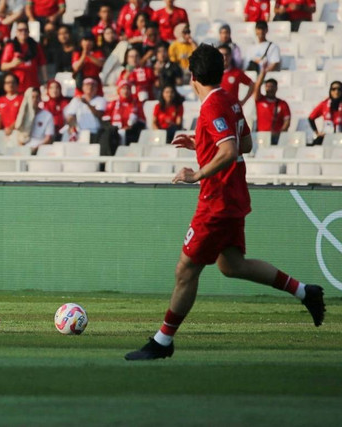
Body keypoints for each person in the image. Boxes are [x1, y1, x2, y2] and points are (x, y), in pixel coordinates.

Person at [124, 44, 325, 361]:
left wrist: (197, 173)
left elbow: (231, 151)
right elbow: (244, 142)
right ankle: (305, 291)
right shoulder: (229, 99)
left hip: (216, 200)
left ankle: (162, 342)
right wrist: (200, 143)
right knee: (232, 265)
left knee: (185, 269)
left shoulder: (212, 106)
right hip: (232, 195)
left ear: (192, 75)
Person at [0, 20, 48, 93]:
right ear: (16, 32)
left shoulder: (35, 46)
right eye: (20, 30)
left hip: (33, 85)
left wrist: (45, 82)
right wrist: (12, 64)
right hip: (17, 87)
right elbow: (3, 66)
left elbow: (42, 65)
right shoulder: (10, 46)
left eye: (25, 30)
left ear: (29, 32)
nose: (23, 32)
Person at [253, 64, 291, 145]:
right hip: (261, 136)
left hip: (276, 137)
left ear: (276, 88)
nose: (270, 89)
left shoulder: (282, 104)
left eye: (272, 86)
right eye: (268, 86)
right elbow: (256, 87)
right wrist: (263, 72)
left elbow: (287, 121)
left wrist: (281, 133)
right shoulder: (260, 100)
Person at [103, 80, 145, 146]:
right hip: (114, 132)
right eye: (123, 88)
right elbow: (105, 121)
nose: (125, 91)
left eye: (128, 88)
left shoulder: (136, 104)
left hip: (131, 133)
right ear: (119, 90)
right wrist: (115, 128)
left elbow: (141, 122)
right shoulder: (113, 104)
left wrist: (130, 127)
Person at [14, 87, 54, 153]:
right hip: (23, 149)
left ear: (40, 98)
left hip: (41, 150)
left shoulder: (47, 115)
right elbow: (18, 133)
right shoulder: (21, 115)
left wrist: (36, 148)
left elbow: (48, 138)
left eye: (37, 97)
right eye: (32, 97)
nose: (35, 99)